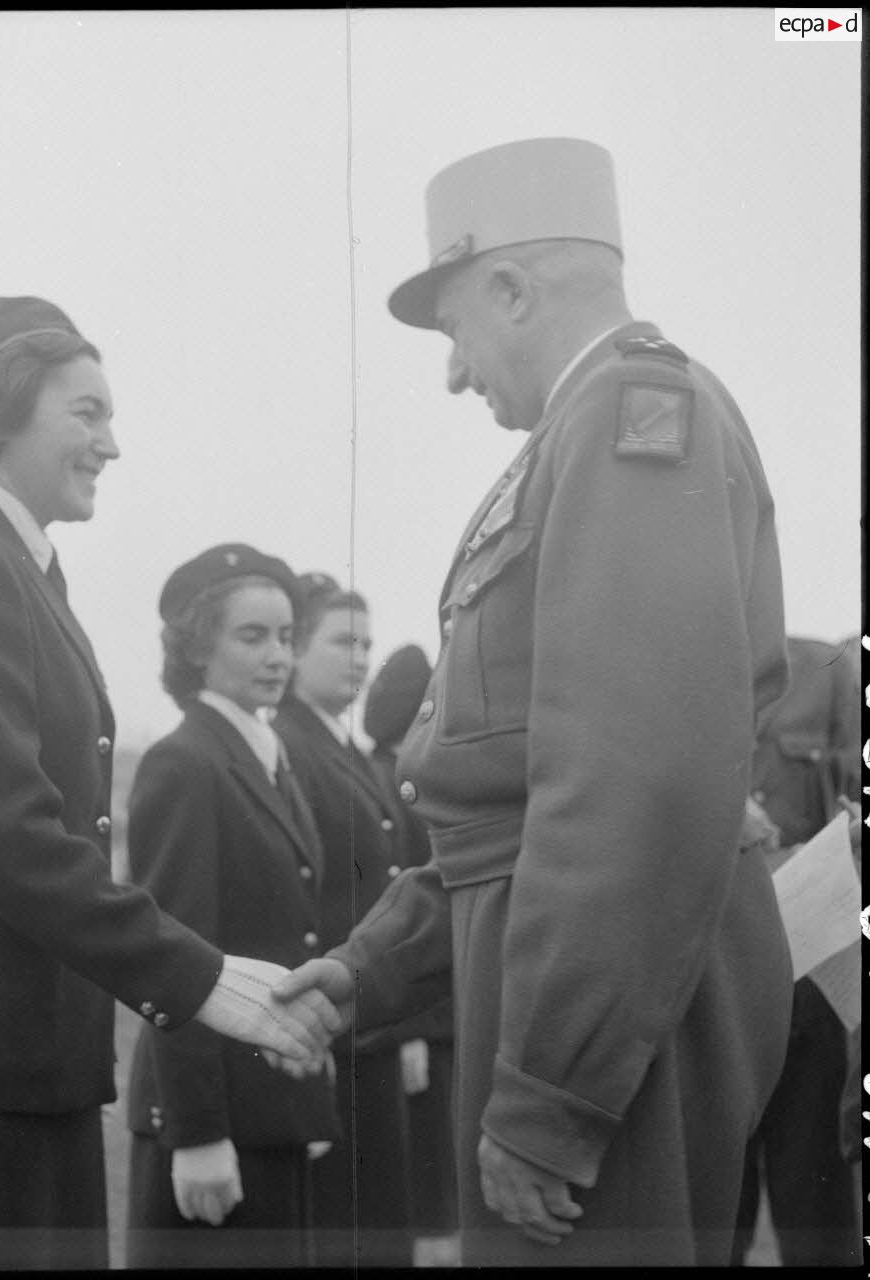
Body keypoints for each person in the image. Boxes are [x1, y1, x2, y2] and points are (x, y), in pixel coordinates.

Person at [274, 136, 794, 1266]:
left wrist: (550, 1096)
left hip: (600, 1024)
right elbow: (505, 799)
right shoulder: (580, 433)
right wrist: (374, 965)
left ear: (510, 287)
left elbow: (631, 783)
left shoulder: (627, 420)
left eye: (455, 327)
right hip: (578, 994)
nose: (454, 372)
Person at [0, 301, 335, 1271]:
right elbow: (10, 833)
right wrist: (197, 974)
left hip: (30, 1052)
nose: (110, 442)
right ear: (0, 411)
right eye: (85, 411)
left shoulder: (22, 566)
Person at [124, 544, 340, 1268]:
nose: (277, 655)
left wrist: (308, 1101)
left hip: (274, 1115)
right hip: (219, 1131)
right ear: (195, 647)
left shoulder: (265, 753)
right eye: (252, 637)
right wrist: (197, 1133)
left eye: (286, 637)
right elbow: (172, 960)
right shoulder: (186, 762)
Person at [272, 574, 414, 1268]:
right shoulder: (288, 745)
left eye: (367, 643)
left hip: (368, 1020)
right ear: (296, 649)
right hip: (326, 1023)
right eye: (341, 641)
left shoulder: (346, 748)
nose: (359, 657)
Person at [731, 633, 861, 1266]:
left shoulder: (821, 670)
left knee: (817, 1228)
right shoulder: (674, 662)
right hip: (712, 1002)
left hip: (806, 996)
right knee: (713, 1227)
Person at [361, 643, 460, 1261]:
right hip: (416, 1013)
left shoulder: (381, 772)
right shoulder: (401, 785)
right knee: (425, 1190)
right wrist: (414, 1029)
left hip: (417, 1009)